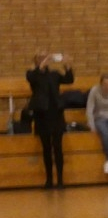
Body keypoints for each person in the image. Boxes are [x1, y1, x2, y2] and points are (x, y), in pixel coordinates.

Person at [26, 51, 75, 189]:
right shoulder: (31, 74)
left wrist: (67, 65)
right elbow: (33, 79)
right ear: (36, 61)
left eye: (45, 57)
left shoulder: (54, 74)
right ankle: (49, 180)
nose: (45, 59)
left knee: (58, 148)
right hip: (42, 115)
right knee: (46, 148)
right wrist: (40, 65)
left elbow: (69, 79)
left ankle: (60, 180)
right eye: (40, 57)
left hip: (56, 114)